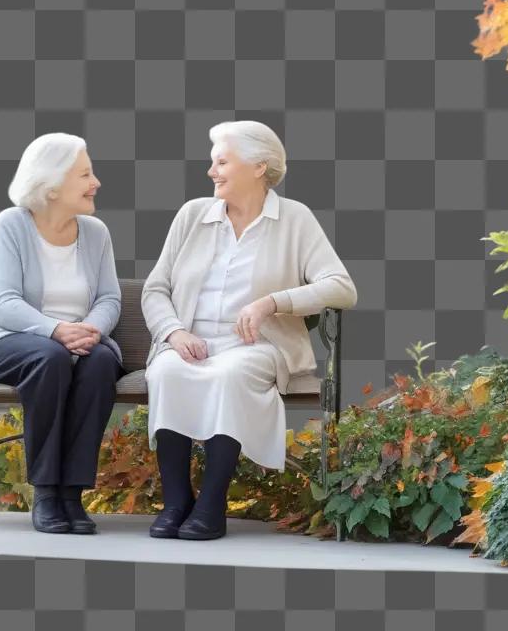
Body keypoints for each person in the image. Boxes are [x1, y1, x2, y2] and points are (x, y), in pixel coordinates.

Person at [141, 120, 357, 540]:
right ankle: (176, 501)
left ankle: (211, 505)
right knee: (166, 371)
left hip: (256, 344)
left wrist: (273, 302)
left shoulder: (294, 219)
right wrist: (173, 333)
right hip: (190, 340)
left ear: (259, 167)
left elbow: (342, 287)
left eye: (222, 161)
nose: (212, 171)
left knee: (230, 375)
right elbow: (156, 288)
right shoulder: (192, 216)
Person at [0, 133, 124, 535]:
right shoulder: (12, 224)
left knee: (102, 361)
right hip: (5, 338)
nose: (96, 182)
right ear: (52, 185)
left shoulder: (96, 233)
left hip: (76, 341)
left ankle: (73, 494)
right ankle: (47, 494)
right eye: (85, 174)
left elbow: (109, 299)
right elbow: (3, 302)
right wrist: (56, 330)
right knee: (50, 358)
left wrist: (91, 330)